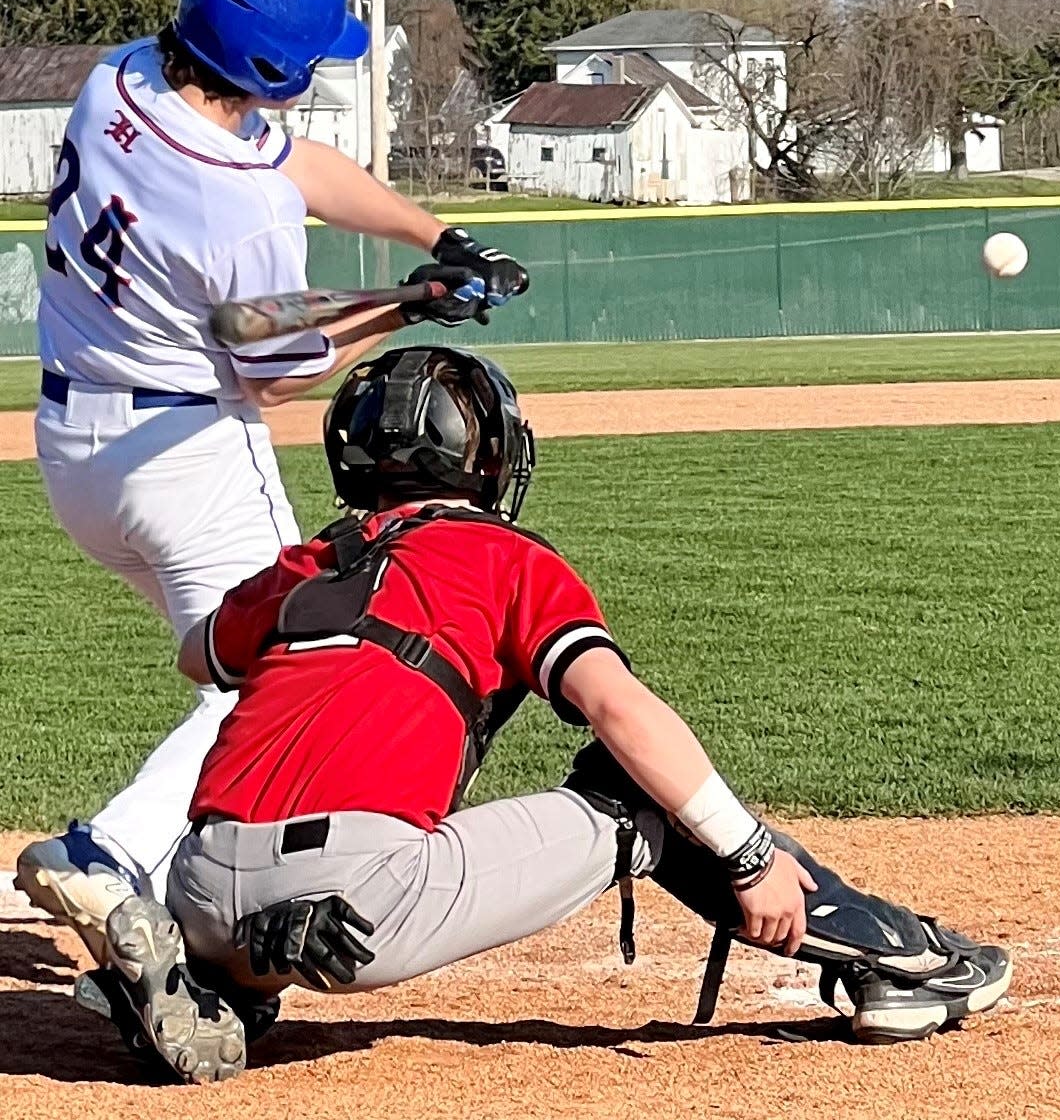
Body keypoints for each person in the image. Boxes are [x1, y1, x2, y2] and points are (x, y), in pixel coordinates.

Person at [80, 345, 1011, 1082]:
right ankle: (898, 961)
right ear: (484, 458)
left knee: (261, 886)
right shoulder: (506, 558)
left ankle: (222, 980)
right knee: (635, 791)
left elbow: (199, 653)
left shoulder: (306, 563)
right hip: (358, 898)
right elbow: (619, 708)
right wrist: (749, 856)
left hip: (198, 880)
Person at [16, 0, 528, 961]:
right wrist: (408, 309)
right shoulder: (235, 204)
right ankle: (111, 852)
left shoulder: (117, 77)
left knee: (235, 678)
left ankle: (155, 873)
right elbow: (279, 371)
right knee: (288, 663)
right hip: (184, 451)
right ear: (273, 67)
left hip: (74, 443)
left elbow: (296, 164)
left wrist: (433, 241)